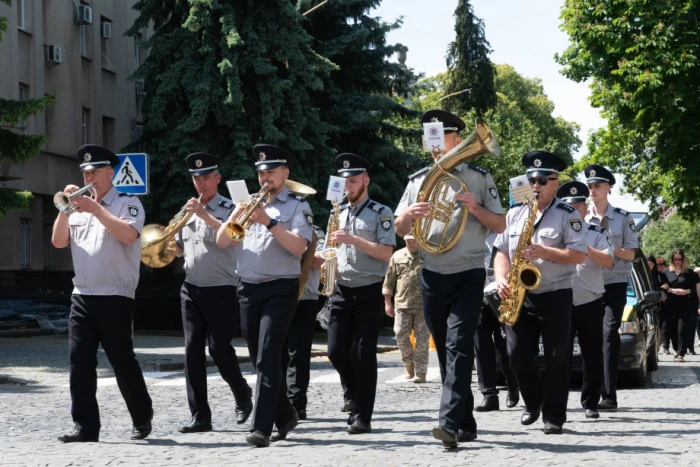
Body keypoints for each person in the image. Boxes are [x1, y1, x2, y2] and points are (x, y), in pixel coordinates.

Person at [395, 109, 506, 447]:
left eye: (441, 136)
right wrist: (410, 216)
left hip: (468, 272)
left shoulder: (478, 177)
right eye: (431, 137)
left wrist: (475, 208)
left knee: (458, 346)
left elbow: (500, 225)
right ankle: (465, 420)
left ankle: (447, 424)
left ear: (458, 138)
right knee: (447, 352)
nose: (435, 144)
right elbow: (399, 230)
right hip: (431, 274)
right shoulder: (418, 180)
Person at [52, 144, 153, 442]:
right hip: (82, 294)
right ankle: (85, 426)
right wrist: (64, 208)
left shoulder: (128, 202)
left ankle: (141, 416)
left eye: (95, 171)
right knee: (79, 362)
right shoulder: (77, 206)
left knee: (121, 360)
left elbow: (128, 234)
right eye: (85, 172)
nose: (90, 177)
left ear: (111, 172)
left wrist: (96, 209)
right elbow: (59, 242)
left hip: (115, 296)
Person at [216, 144, 314, 447]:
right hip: (248, 288)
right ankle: (285, 415)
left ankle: (261, 427)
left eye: (271, 172)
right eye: (261, 173)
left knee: (270, 355)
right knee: (260, 358)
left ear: (285, 173)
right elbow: (223, 241)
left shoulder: (298, 207)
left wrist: (269, 222)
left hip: (280, 288)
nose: (265, 178)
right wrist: (238, 213)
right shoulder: (247, 205)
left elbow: (299, 248)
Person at [494, 151, 587, 435]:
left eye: (542, 180)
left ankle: (554, 416)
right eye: (532, 179)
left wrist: (545, 251)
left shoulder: (568, 215)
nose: (535, 185)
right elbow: (500, 250)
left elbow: (579, 255)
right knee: (516, 355)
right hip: (520, 295)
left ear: (555, 182)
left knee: (558, 357)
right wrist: (500, 277)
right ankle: (533, 402)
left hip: (556, 294)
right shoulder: (514, 213)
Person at [174, 153, 253, 434]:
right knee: (192, 350)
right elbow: (179, 247)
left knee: (219, 349)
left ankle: (242, 394)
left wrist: (203, 215)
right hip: (191, 288)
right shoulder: (186, 210)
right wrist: (167, 249)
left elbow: (234, 239)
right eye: (196, 178)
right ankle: (200, 416)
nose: (201, 182)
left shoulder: (234, 208)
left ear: (217, 178)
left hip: (222, 288)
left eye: (206, 177)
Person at [321, 153, 395, 435]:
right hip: (341, 288)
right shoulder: (335, 213)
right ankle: (353, 393)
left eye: (353, 181)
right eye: (344, 182)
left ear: (366, 180)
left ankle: (363, 415)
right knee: (335, 351)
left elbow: (386, 252)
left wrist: (353, 239)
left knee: (364, 354)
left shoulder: (381, 212)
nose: (348, 186)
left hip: (368, 288)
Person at [557, 181, 614, 420]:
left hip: (590, 301)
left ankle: (590, 402)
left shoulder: (597, 232)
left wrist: (584, 247)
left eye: (580, 206)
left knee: (592, 355)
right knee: (559, 356)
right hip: (561, 300)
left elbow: (610, 262)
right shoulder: (557, 233)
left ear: (586, 207)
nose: (576, 211)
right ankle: (557, 404)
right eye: (571, 207)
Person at [585, 164, 639, 410]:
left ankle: (609, 395)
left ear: (608, 188)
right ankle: (589, 394)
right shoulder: (580, 216)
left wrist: (608, 247)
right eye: (590, 186)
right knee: (590, 337)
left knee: (609, 334)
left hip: (615, 282)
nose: (592, 189)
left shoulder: (624, 217)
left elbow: (630, 254)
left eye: (597, 186)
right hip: (587, 284)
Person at [283, 224, 325, 420]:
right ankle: (279, 401)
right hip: (278, 296)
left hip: (306, 297)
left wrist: (295, 248)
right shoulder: (273, 227)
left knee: (298, 353)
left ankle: (296, 403)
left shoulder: (315, 231)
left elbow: (323, 260)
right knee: (277, 352)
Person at [474, 232, 519, 412]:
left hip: (503, 297)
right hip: (478, 298)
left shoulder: (503, 234)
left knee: (507, 348)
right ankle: (489, 395)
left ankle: (513, 385)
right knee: (481, 348)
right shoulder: (470, 234)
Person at [382, 234, 429, 383]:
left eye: (413, 240)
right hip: (402, 304)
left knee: (422, 340)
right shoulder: (397, 256)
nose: (410, 242)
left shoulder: (428, 254)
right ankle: (409, 365)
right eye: (408, 240)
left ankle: (421, 373)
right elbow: (389, 280)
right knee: (400, 334)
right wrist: (387, 302)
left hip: (423, 305)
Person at [661, 250, 699, 363]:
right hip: (670, 305)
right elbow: (662, 287)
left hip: (685, 304)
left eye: (679, 259)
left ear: (683, 259)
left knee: (681, 328)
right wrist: (670, 290)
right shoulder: (666, 272)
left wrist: (685, 291)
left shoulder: (690, 273)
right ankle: (676, 351)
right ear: (672, 260)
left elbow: (695, 289)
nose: (677, 261)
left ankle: (681, 353)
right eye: (675, 259)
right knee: (672, 329)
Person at [657, 258, 671, 354]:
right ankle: (658, 347)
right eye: (658, 265)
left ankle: (666, 346)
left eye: (662, 265)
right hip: (656, 304)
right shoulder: (654, 276)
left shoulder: (667, 275)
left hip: (667, 304)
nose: (660, 266)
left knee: (666, 327)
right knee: (659, 327)